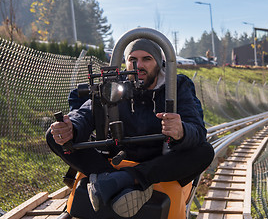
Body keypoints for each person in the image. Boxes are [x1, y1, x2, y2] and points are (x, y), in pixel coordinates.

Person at [46, 38, 214, 218]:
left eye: (147, 59)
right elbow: (86, 112)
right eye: (133, 59)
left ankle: (124, 179)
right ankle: (112, 178)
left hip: (160, 163)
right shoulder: (114, 84)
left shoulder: (177, 85)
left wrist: (181, 131)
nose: (139, 65)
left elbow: (197, 129)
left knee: (204, 152)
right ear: (126, 62)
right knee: (53, 135)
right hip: (118, 159)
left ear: (159, 62)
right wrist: (72, 127)